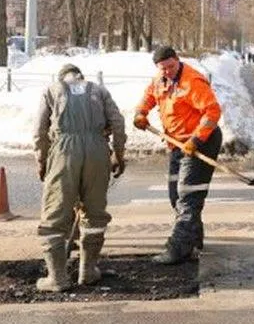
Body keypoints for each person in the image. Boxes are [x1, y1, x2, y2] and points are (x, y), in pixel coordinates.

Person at [32, 63, 127, 292]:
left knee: (54, 213)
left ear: (62, 76)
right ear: (80, 76)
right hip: (97, 150)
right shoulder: (99, 91)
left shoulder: (52, 90)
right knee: (94, 213)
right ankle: (88, 271)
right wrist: (118, 154)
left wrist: (42, 160)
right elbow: (118, 123)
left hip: (65, 150)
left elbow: (39, 131)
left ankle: (57, 278)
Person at [133, 46, 223, 265]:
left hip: (201, 142)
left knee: (188, 196)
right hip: (177, 144)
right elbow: (148, 97)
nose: (167, 72)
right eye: (162, 68)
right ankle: (194, 238)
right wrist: (140, 113)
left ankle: (179, 248)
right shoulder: (160, 80)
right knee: (176, 195)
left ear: (177, 61)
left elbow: (213, 112)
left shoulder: (192, 81)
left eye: (170, 67)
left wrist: (196, 139)